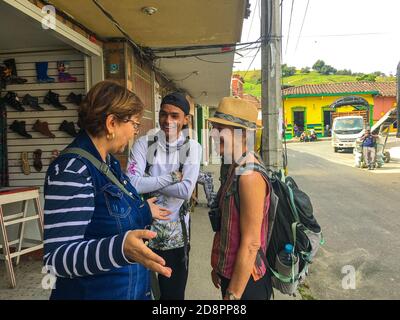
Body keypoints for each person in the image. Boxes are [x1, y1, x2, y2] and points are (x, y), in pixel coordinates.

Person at [43, 81, 172, 300]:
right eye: (134, 124)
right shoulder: (74, 169)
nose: (134, 133)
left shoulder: (109, 163)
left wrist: (142, 210)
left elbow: (108, 218)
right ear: (112, 123)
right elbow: (56, 259)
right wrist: (120, 248)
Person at [127, 92, 202, 300]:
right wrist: (169, 178)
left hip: (175, 238)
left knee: (172, 297)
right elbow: (132, 184)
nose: (168, 121)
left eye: (175, 116)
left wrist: (148, 180)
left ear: (186, 119)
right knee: (140, 293)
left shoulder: (192, 149)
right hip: (142, 233)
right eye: (163, 114)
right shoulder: (144, 144)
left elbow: (186, 190)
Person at [207, 97, 273, 300]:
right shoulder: (234, 165)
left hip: (246, 284)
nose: (213, 134)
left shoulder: (249, 175)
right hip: (233, 274)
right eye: (214, 127)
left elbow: (252, 243)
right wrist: (219, 267)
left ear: (243, 134)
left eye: (220, 129)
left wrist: (233, 294)